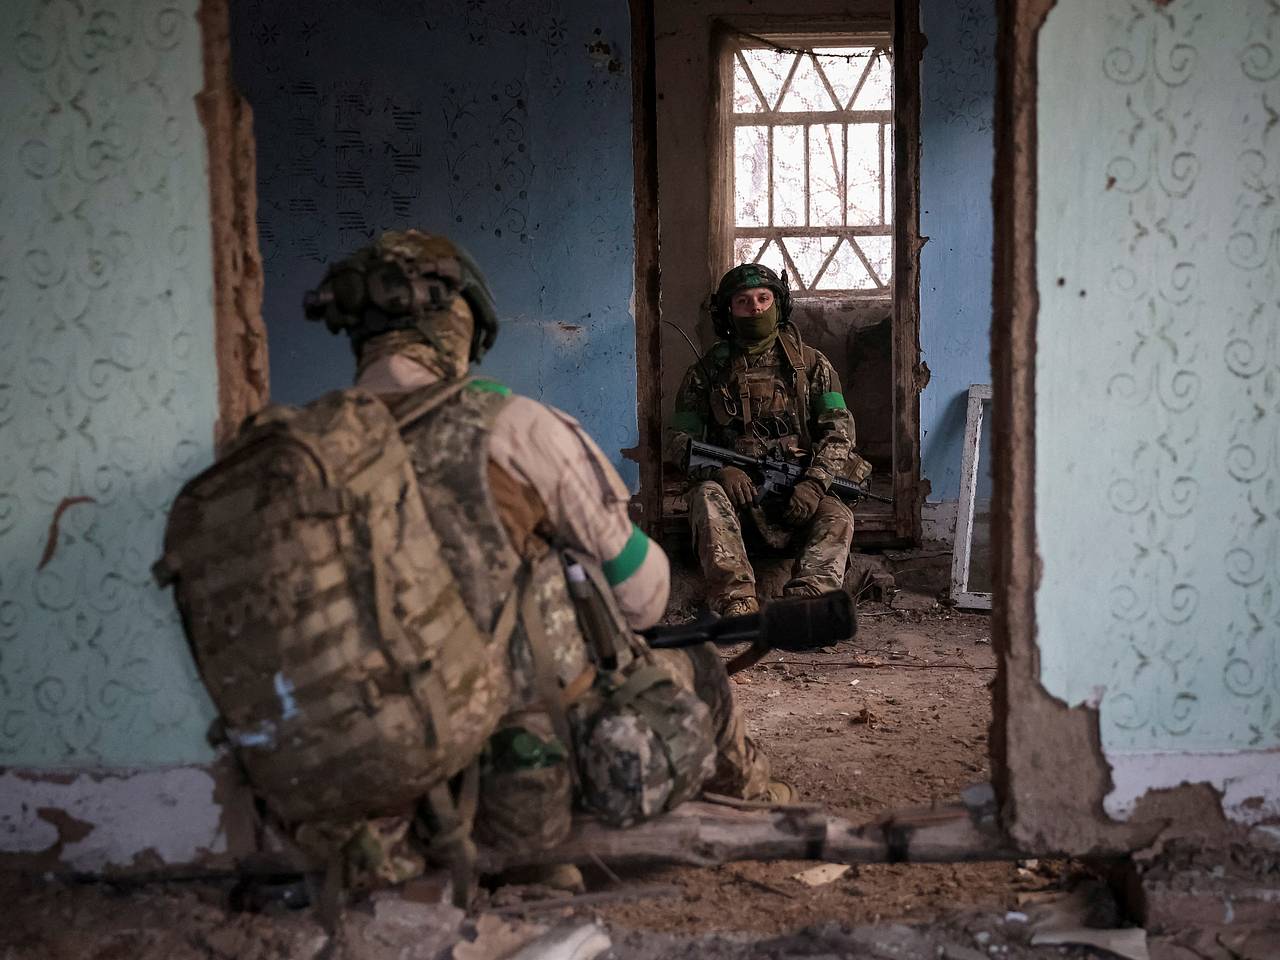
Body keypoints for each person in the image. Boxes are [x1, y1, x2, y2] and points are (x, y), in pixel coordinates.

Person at [293, 231, 780, 893]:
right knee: (696, 660)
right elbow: (643, 599)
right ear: (466, 321)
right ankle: (753, 801)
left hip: (350, 766)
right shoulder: (515, 427)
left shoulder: (301, 450)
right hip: (507, 765)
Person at [665, 263, 861, 618]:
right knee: (705, 495)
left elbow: (839, 432)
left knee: (838, 513)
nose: (755, 308)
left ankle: (808, 602)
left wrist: (814, 484)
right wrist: (719, 471)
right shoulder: (707, 373)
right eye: (743, 301)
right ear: (728, 311)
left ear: (778, 304)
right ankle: (736, 600)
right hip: (738, 499)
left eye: (763, 298)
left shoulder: (812, 365)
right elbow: (679, 439)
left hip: (796, 490)